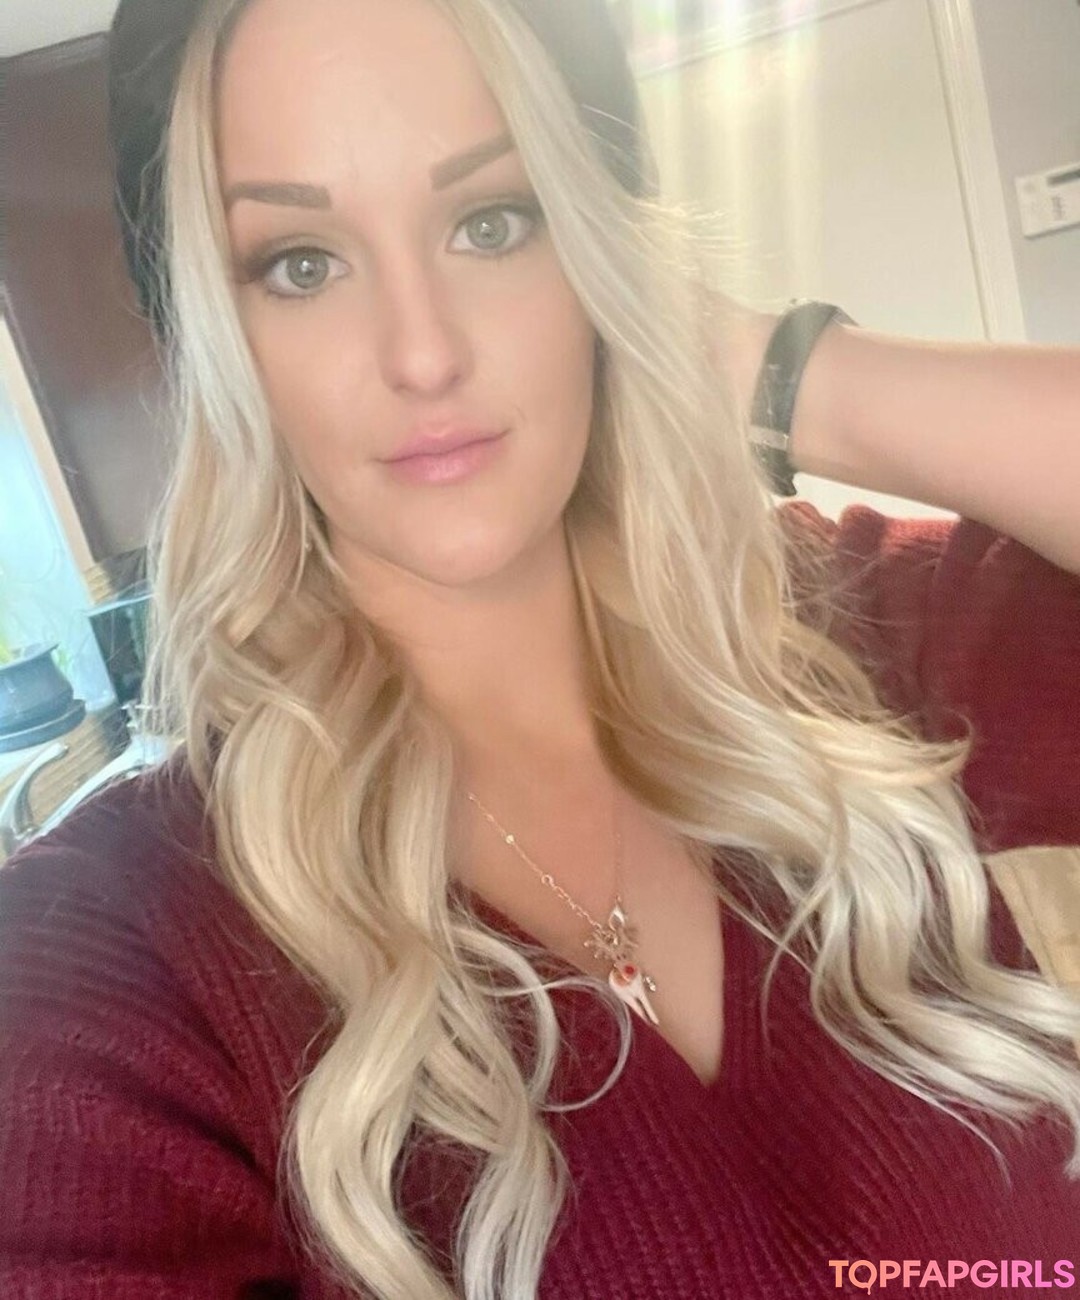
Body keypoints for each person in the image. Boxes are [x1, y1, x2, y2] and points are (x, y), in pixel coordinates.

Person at [1, 0, 1078, 1296]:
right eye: (300, 264)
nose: (424, 353)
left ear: (602, 248)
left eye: (494, 221)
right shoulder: (113, 955)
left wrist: (774, 373)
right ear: (215, 341)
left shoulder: (842, 632)